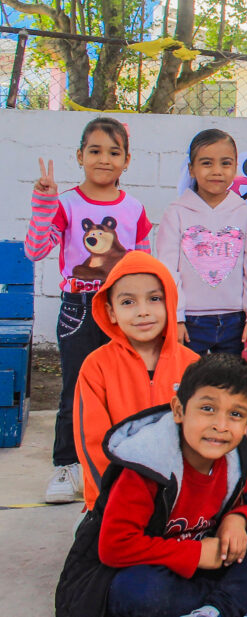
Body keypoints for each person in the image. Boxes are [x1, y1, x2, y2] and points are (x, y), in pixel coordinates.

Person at [55, 353, 247, 617]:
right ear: (179, 410)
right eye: (207, 409)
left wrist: (237, 519)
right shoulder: (147, 465)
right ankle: (244, 602)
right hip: (142, 570)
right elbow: (115, 547)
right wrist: (194, 554)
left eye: (236, 414)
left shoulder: (233, 456)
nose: (220, 425)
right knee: (138, 592)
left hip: (203, 561)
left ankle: (217, 609)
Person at [25, 117, 153, 504]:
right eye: (95, 151)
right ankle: (67, 467)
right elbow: (35, 250)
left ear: (127, 160)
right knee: (76, 390)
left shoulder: (134, 209)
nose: (104, 159)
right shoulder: (65, 204)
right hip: (78, 309)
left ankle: (123, 465)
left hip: (122, 313)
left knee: (126, 388)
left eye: (114, 152)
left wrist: (145, 312)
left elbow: (144, 266)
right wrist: (44, 203)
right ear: (80, 156)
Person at [74, 251, 200, 510]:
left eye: (154, 299)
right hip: (114, 502)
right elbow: (93, 445)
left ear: (171, 303)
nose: (143, 312)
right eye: (128, 302)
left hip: (180, 502)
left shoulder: (194, 366)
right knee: (97, 549)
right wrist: (114, 503)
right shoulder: (96, 366)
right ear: (110, 311)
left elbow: (204, 438)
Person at [156, 128, 247, 356]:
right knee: (188, 384)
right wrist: (176, 317)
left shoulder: (246, 215)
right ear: (191, 169)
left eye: (225, 163)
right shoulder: (175, 213)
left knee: (227, 386)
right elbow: (168, 270)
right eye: (207, 163)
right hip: (189, 321)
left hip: (235, 321)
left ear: (235, 167)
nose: (217, 171)